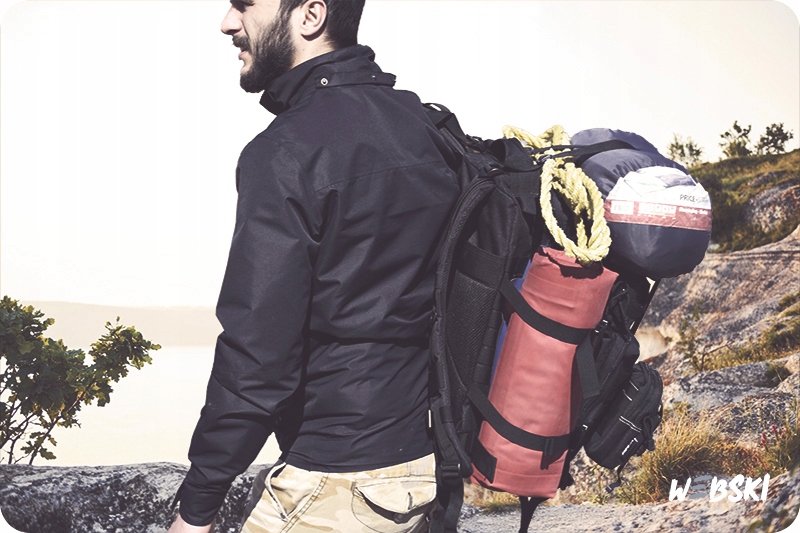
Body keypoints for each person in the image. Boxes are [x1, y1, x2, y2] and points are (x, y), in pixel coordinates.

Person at [167, 0, 460, 531]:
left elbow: (258, 353)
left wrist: (198, 505)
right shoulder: (426, 125)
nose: (228, 22)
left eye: (244, 5)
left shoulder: (287, 150)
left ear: (310, 15)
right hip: (424, 464)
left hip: (337, 478)